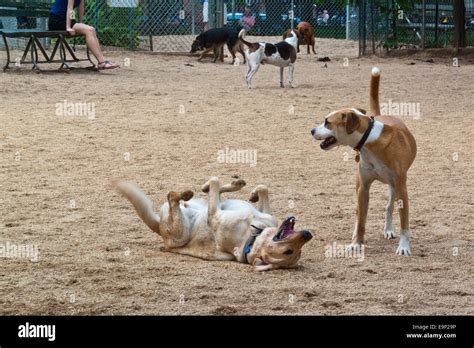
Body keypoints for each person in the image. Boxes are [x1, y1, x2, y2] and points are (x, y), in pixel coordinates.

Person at [48, 0, 119, 70]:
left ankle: (102, 61)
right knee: (89, 30)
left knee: (92, 30)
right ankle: (102, 62)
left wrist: (80, 22)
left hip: (66, 19)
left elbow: (80, 8)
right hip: (57, 20)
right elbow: (70, 8)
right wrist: (68, 27)